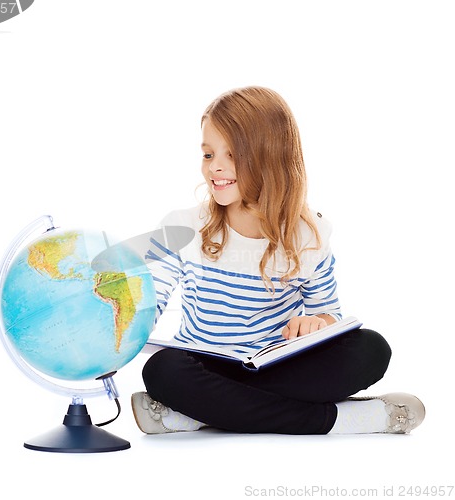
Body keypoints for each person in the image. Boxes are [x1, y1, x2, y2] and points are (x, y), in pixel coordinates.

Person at [131, 86, 425, 435]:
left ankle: (197, 415)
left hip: (278, 367)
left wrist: (317, 323)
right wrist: (121, 324)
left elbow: (329, 315)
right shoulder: (181, 226)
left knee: (371, 349)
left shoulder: (309, 235)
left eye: (232, 154)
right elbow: (150, 303)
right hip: (206, 367)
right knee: (162, 370)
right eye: (209, 155)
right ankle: (341, 421)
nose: (216, 168)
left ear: (270, 157)